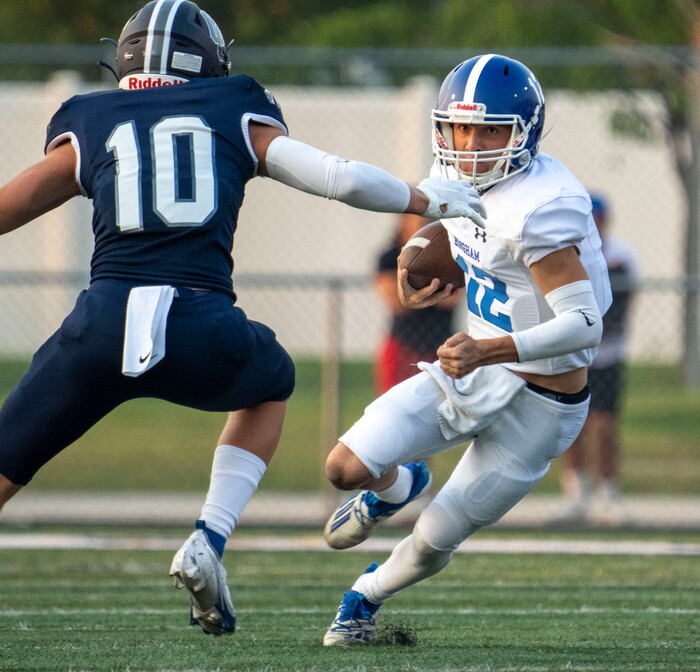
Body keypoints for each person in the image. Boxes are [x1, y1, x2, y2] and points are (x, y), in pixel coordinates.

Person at [0, 0, 487, 639]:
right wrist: (424, 198)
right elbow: (335, 177)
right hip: (201, 321)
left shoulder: (91, 120)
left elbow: (9, 207)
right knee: (270, 383)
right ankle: (209, 535)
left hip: (102, 323)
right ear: (206, 60)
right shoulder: (232, 106)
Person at [321, 53, 612, 646]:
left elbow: (584, 326)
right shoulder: (456, 175)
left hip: (543, 404)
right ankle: (397, 488)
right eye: (460, 126)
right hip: (473, 369)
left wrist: (487, 352)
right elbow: (461, 234)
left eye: (490, 130)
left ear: (523, 132)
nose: (471, 143)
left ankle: (363, 599)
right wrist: (418, 261)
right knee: (343, 469)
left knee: (434, 537)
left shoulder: (543, 205)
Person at [558, 193, 638, 526]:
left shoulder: (620, 256)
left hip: (605, 354)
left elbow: (616, 309)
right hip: (572, 354)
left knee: (604, 426)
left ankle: (608, 492)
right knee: (570, 428)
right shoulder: (563, 252)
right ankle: (576, 494)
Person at [374, 212, 461, 395]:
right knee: (394, 405)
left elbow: (452, 298)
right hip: (403, 344)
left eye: (428, 220)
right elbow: (394, 302)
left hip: (440, 347)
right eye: (419, 219)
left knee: (442, 407)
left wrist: (414, 293)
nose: (424, 224)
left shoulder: (448, 253)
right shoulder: (390, 256)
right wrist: (434, 290)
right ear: (404, 222)